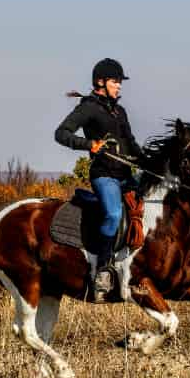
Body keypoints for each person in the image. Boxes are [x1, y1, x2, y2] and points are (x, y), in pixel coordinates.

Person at [55, 58, 143, 293]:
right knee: (114, 215)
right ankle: (102, 269)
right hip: (104, 175)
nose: (119, 86)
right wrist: (88, 144)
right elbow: (61, 133)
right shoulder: (88, 108)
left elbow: (131, 143)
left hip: (125, 175)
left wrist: (146, 160)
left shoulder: (119, 111)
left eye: (120, 82)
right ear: (101, 82)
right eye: (116, 81)